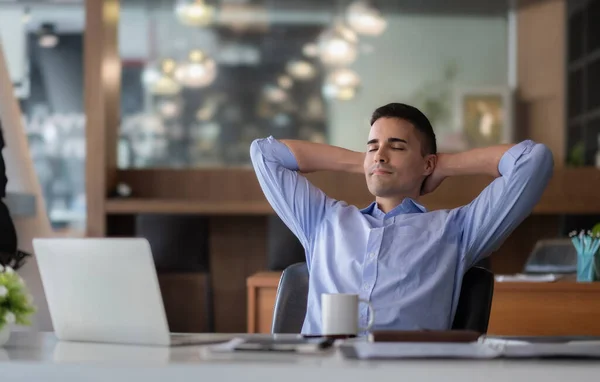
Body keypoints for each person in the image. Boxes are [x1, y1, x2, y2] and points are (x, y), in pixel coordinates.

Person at [250, 103, 553, 335]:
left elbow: (533, 160)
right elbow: (265, 153)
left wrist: (445, 165)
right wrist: (367, 162)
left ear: (427, 163)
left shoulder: (457, 230)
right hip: (320, 371)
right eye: (373, 145)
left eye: (396, 146)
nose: (380, 154)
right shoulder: (323, 219)